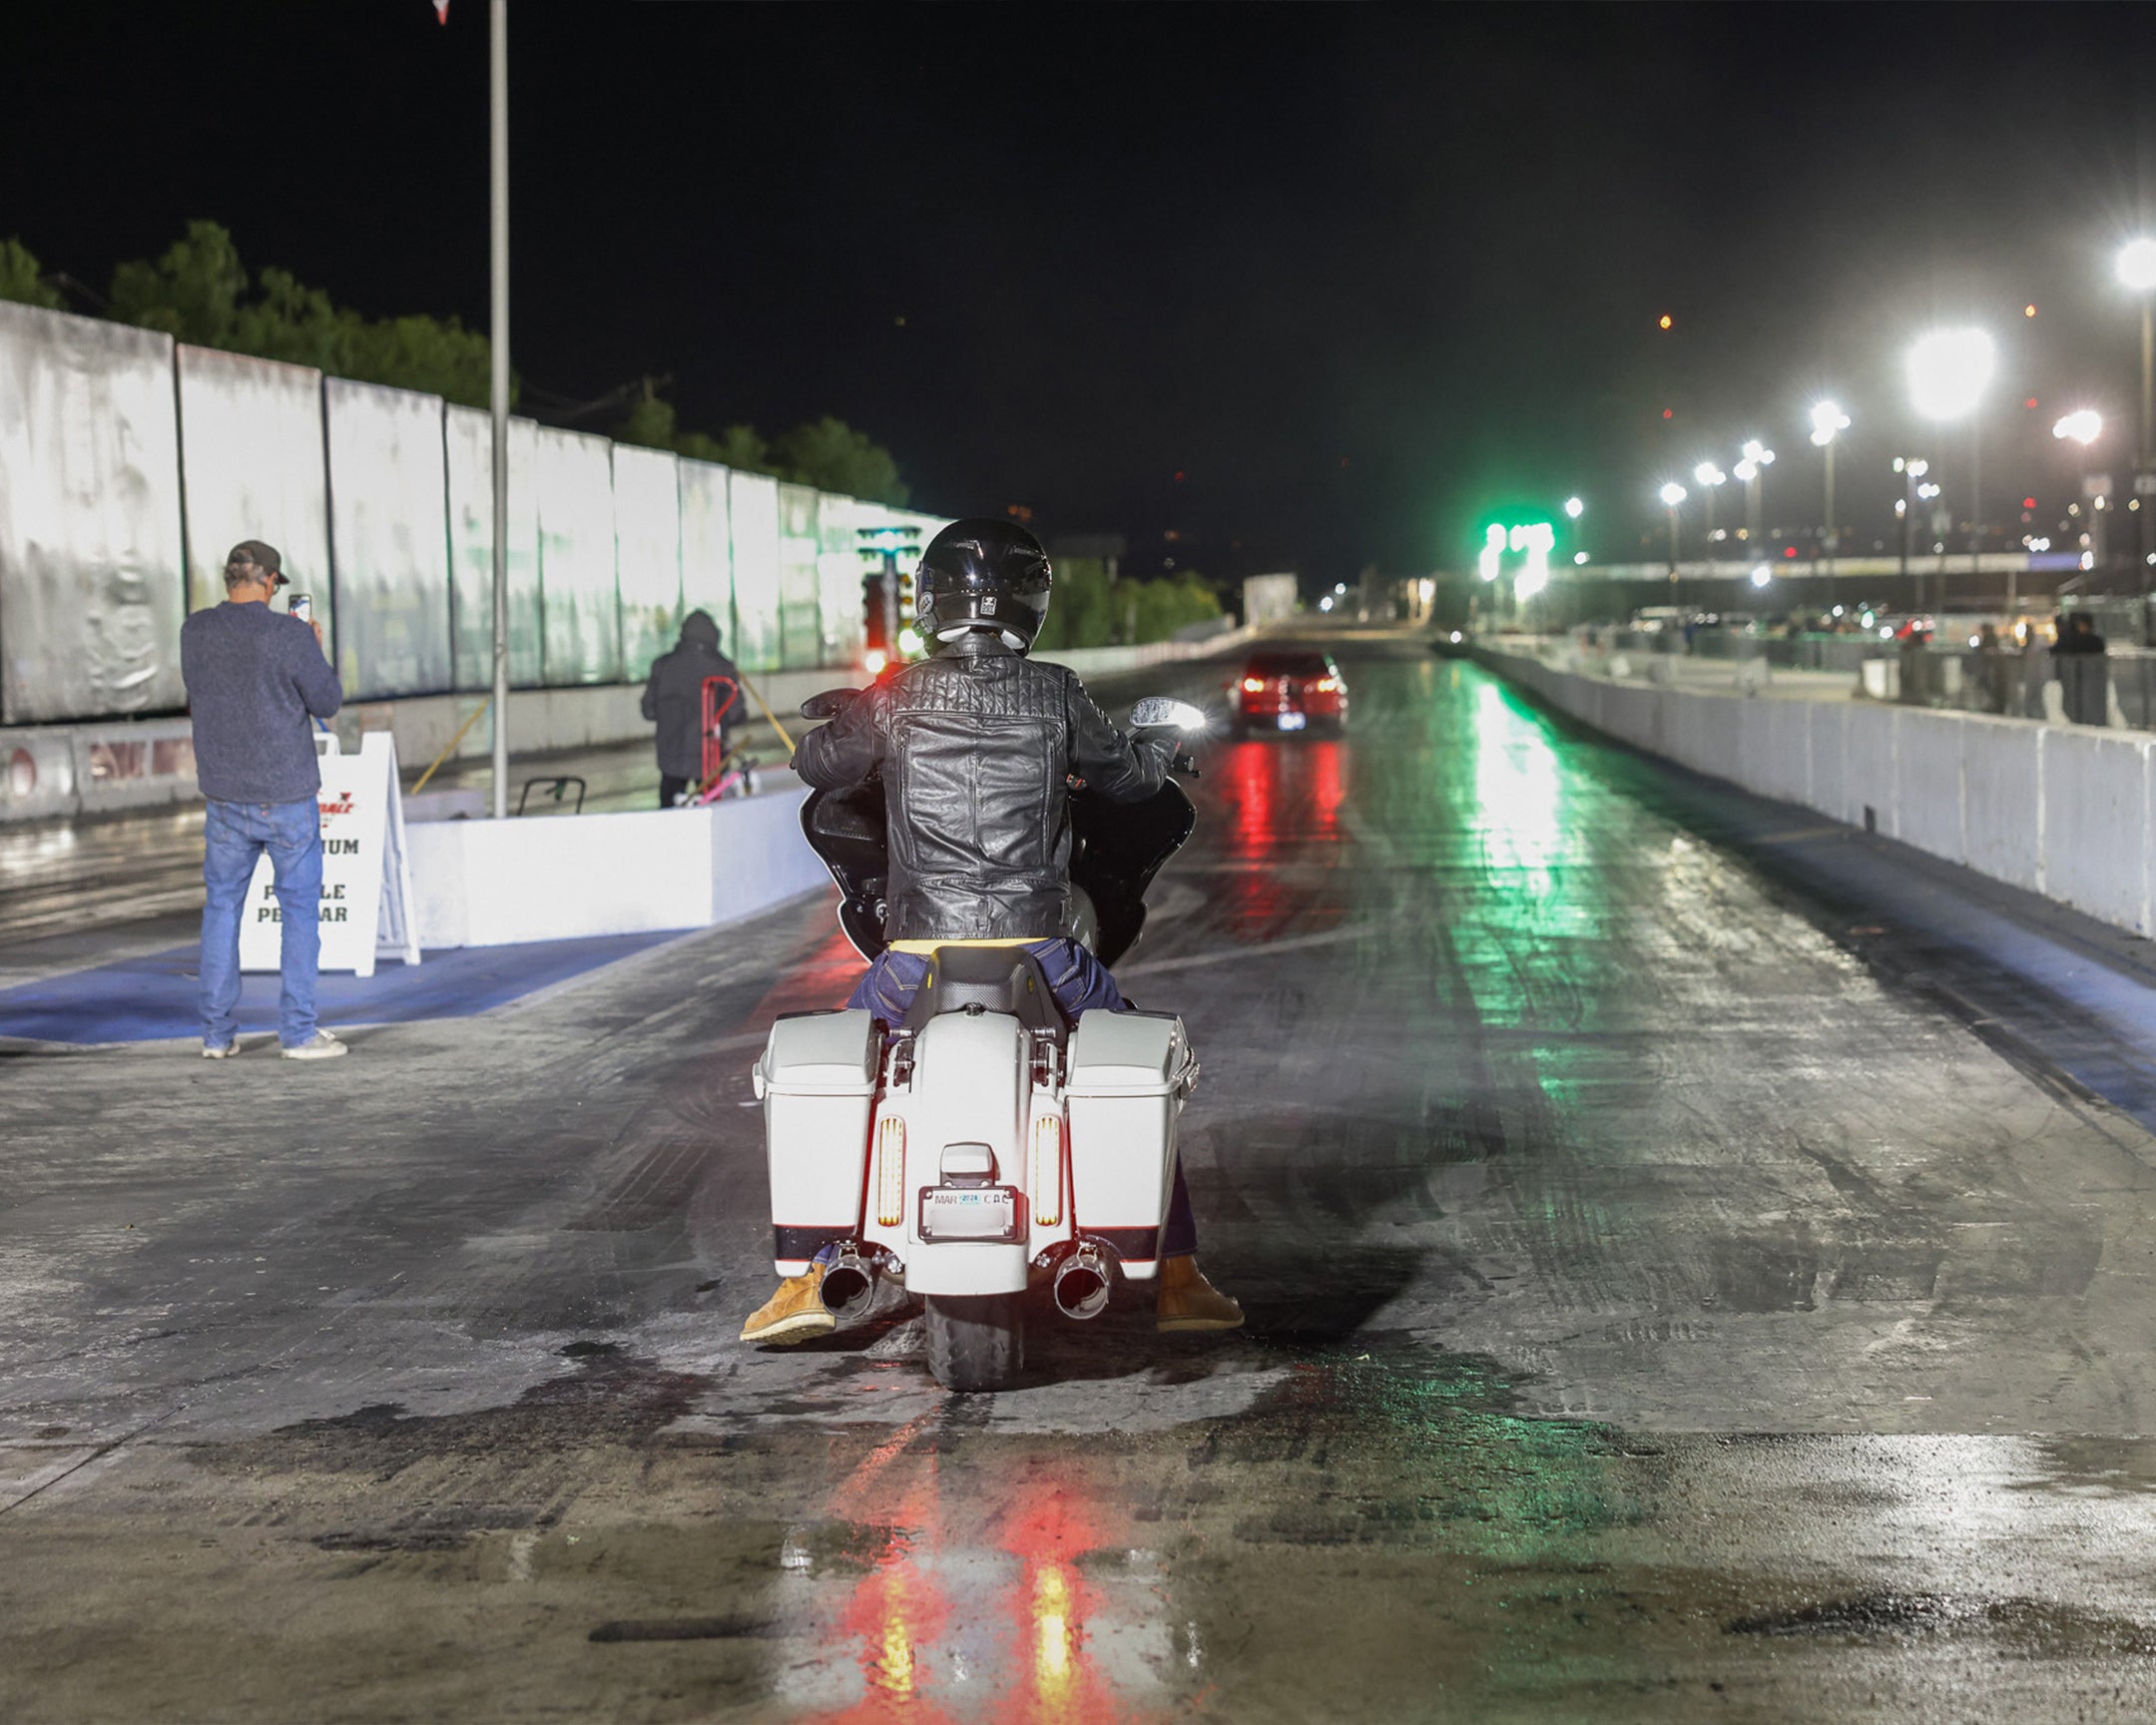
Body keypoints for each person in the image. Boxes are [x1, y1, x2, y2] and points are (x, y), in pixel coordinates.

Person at [741, 518, 1244, 1345]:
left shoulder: (898, 694)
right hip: (1041, 947)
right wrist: (1160, 747)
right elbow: (1126, 777)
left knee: (838, 1073)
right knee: (1146, 1069)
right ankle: (1180, 1278)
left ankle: (803, 1282)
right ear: (1033, 600)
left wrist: (851, 723)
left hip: (917, 952)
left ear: (930, 600)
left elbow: (816, 767)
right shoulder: (1056, 692)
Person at [180, 540, 346, 1060]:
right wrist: (311, 646)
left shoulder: (195, 631)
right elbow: (327, 702)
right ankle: (297, 1033)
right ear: (271, 582)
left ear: (229, 579)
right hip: (288, 796)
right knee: (298, 912)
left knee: (222, 911)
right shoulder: (290, 634)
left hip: (225, 796)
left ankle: (216, 1035)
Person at [642, 610, 742, 809]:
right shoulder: (723, 667)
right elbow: (736, 712)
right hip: (710, 757)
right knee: (712, 813)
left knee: (668, 813)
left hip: (670, 758)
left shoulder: (662, 665)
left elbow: (648, 710)